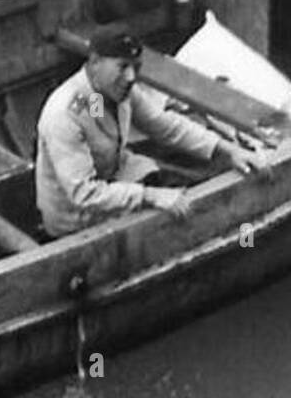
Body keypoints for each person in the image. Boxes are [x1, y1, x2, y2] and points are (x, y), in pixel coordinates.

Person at [35, 25, 270, 239]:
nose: (131, 77)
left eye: (135, 67)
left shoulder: (111, 90)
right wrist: (151, 196)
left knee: (192, 187)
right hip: (78, 219)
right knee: (180, 218)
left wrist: (229, 150)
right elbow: (83, 193)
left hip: (117, 173)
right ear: (95, 62)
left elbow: (163, 125)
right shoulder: (65, 114)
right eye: (122, 67)